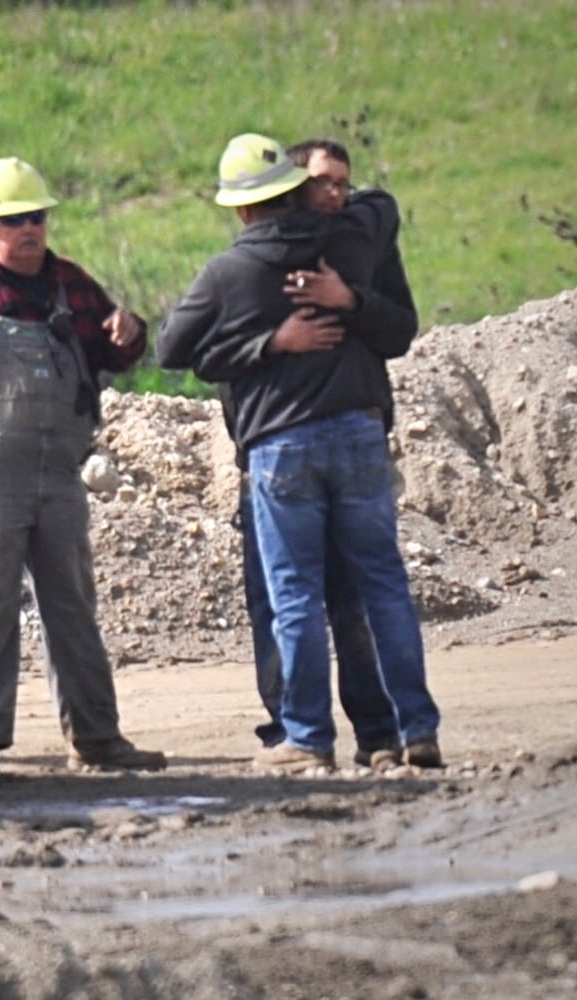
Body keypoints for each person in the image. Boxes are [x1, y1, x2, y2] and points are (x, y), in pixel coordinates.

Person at [158, 132, 442, 772]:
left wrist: (266, 344)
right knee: (382, 589)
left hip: (281, 446)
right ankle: (413, 728)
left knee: (292, 597)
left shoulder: (229, 271)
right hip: (359, 433)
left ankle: (308, 740)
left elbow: (174, 350)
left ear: (238, 207)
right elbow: (383, 206)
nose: (338, 194)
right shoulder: (347, 242)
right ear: (296, 189)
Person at [0, 156, 167, 775]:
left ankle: (97, 738)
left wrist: (130, 333)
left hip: (57, 470)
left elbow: (113, 351)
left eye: (37, 217)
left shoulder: (69, 284)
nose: (29, 230)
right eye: (14, 219)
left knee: (71, 603)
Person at [235, 138, 414, 769]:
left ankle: (376, 732)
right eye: (322, 182)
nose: (335, 194)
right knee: (282, 600)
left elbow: (400, 330)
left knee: (345, 599)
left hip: (332, 441)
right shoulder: (257, 259)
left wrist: (352, 301)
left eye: (344, 182)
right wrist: (272, 343)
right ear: (289, 188)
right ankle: (292, 728)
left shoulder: (357, 250)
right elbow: (204, 350)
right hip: (271, 445)